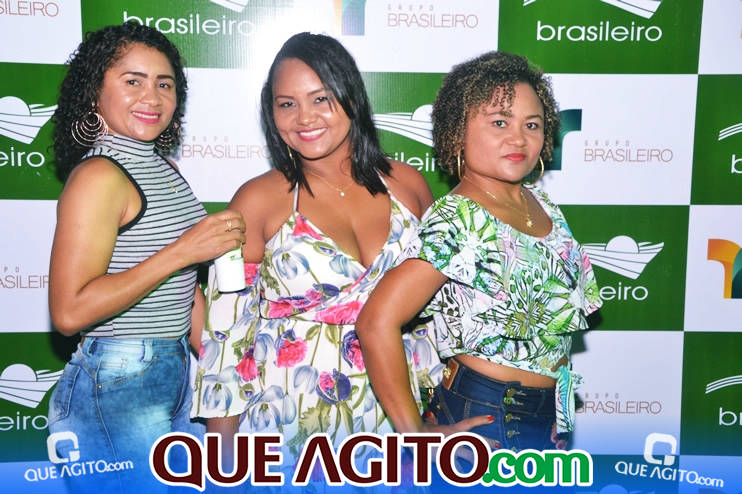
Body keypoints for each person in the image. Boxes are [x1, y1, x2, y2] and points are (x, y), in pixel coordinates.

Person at [192, 32, 457, 475]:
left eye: (320, 98)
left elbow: (441, 310)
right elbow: (227, 335)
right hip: (291, 420)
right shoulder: (257, 201)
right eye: (287, 103)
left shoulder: (408, 185)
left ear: (350, 97)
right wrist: (223, 459)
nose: (304, 117)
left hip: (401, 416)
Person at [356, 51, 602, 453]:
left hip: (548, 420)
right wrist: (414, 431)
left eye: (532, 124)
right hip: (488, 414)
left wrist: (559, 417)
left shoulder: (544, 206)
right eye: (499, 122)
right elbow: (375, 321)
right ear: (458, 131)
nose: (518, 138)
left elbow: (553, 334)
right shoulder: (460, 217)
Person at [46, 22, 245, 494]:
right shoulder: (99, 175)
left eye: (165, 84)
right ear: (95, 91)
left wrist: (221, 359)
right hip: (117, 379)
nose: (151, 97)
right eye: (132, 81)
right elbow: (69, 311)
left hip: (171, 370)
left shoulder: (162, 168)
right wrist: (183, 251)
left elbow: (182, 287)